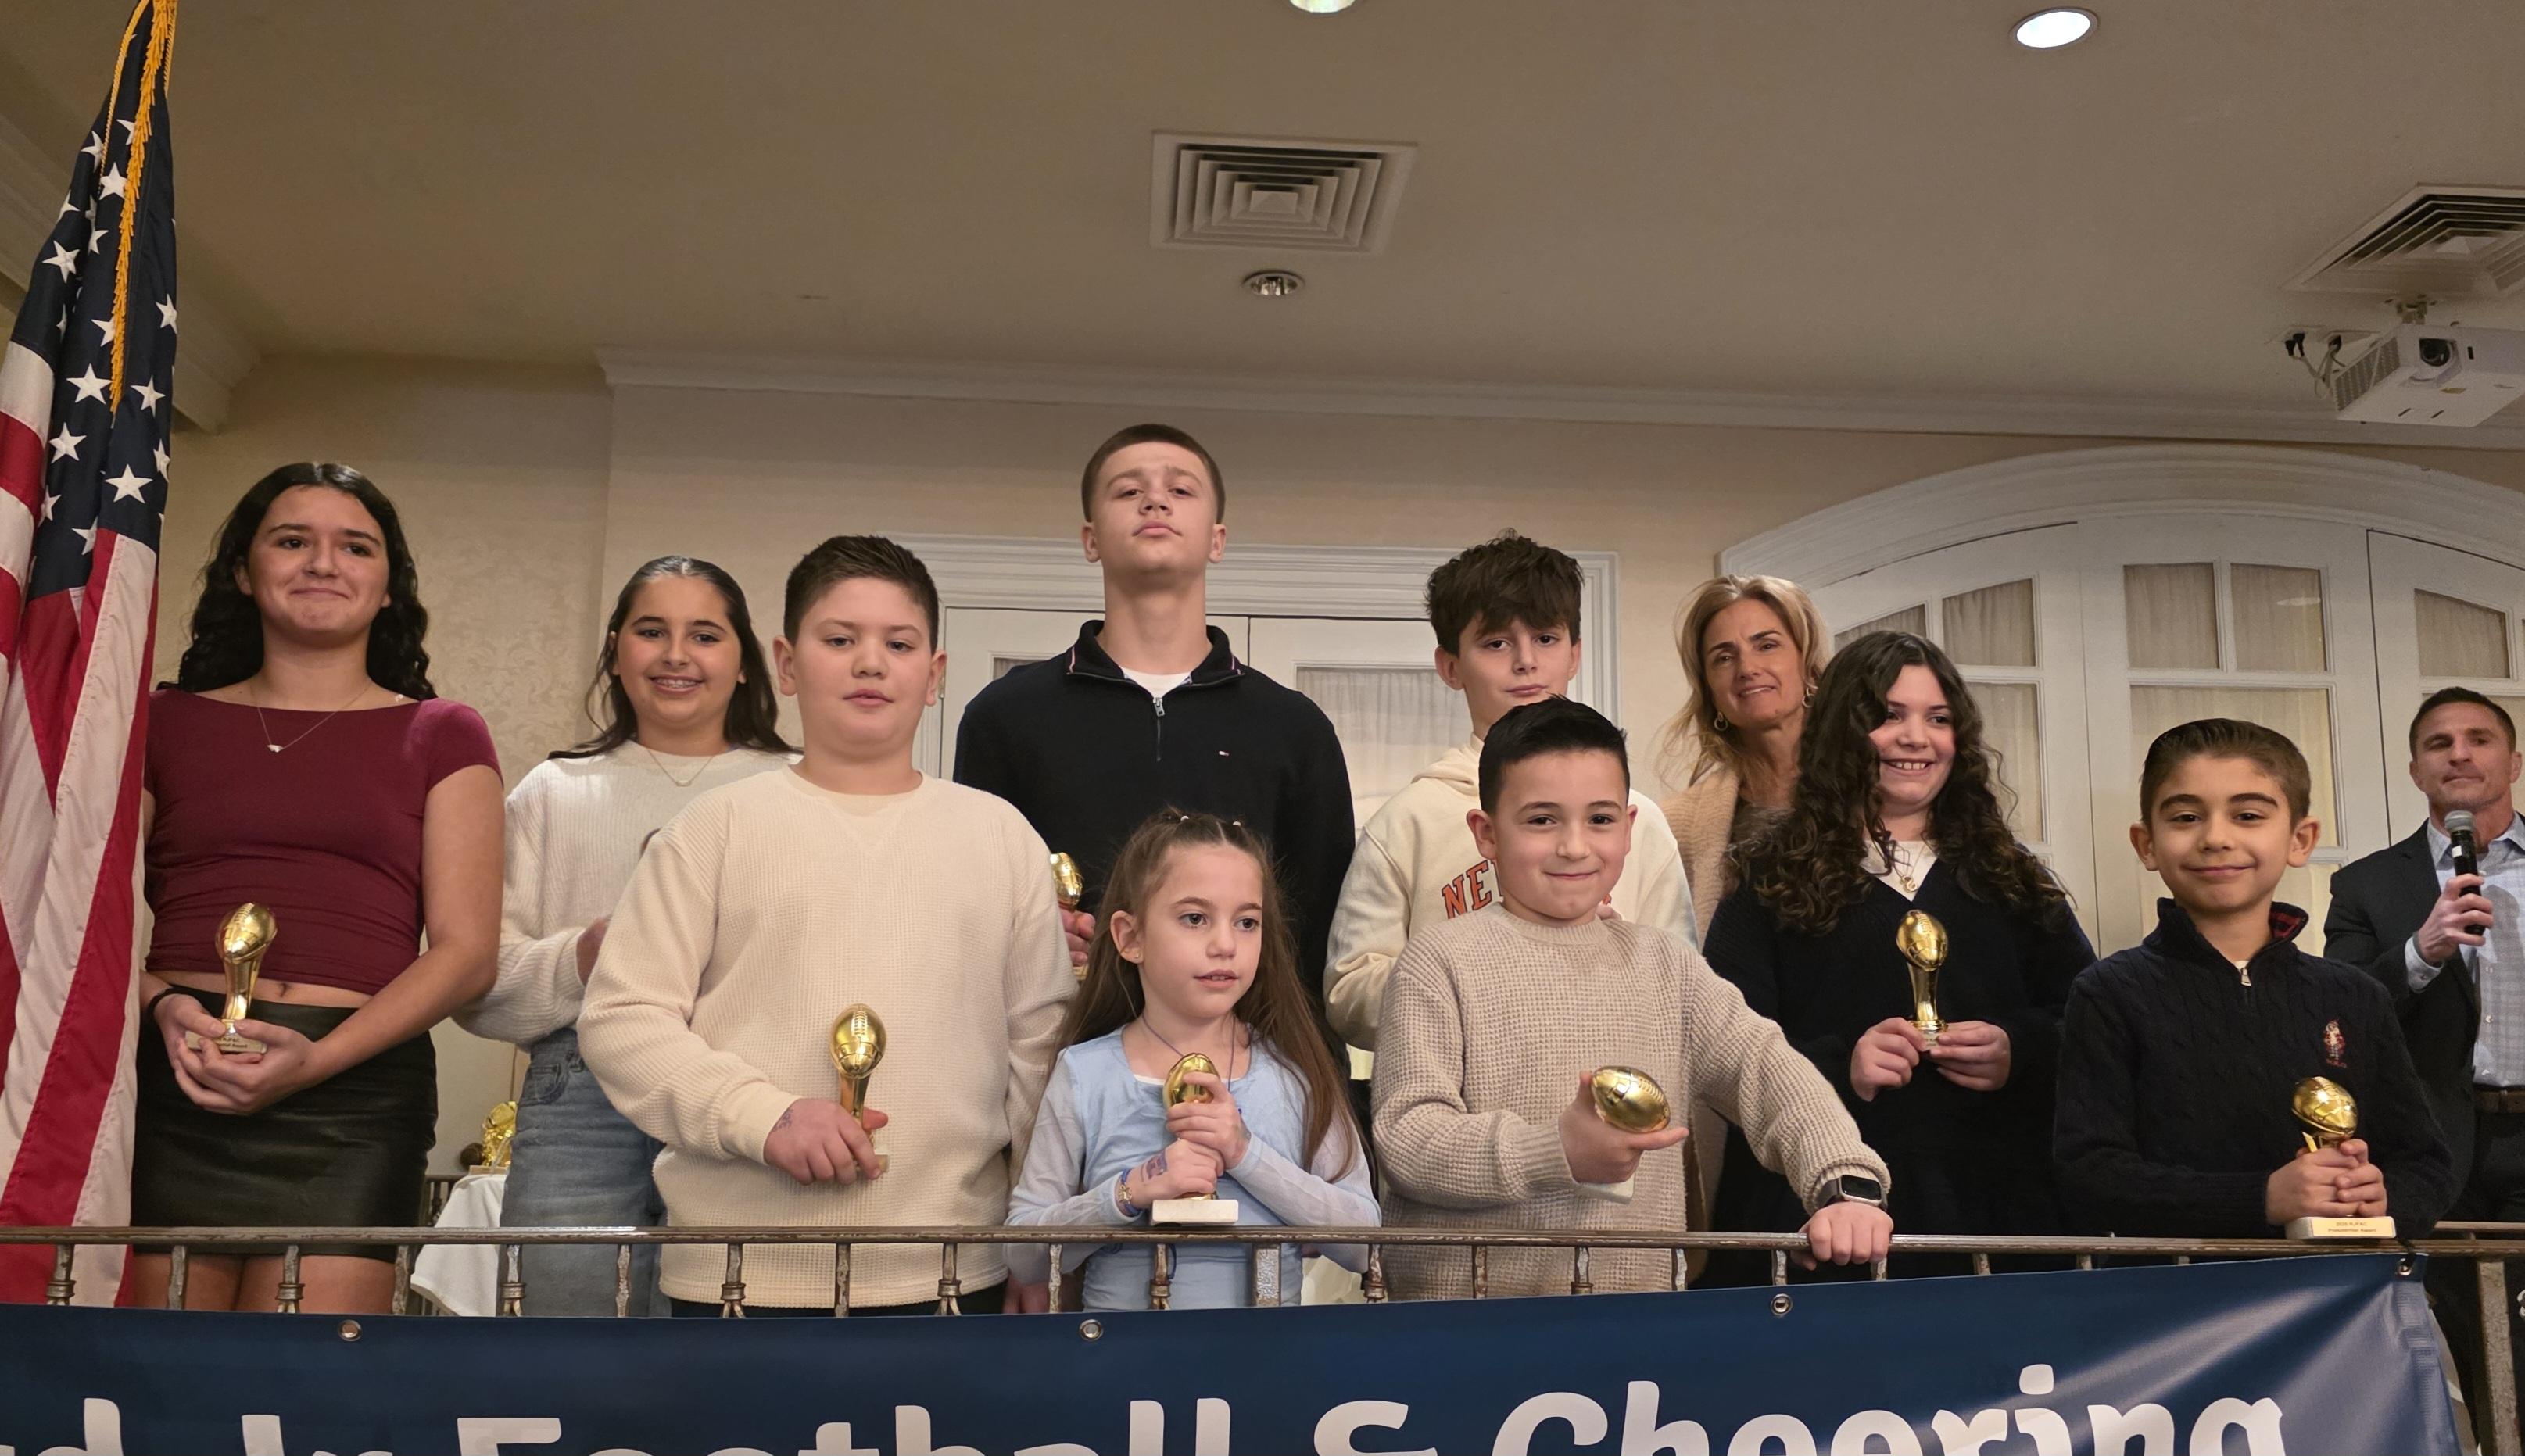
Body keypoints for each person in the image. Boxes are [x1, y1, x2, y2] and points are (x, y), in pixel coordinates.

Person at [578, 535, 1073, 1316]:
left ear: (934, 674)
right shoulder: (713, 829)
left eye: (898, 644)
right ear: (786, 664)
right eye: (839, 640)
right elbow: (621, 1019)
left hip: (953, 1273)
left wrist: (1033, 1248)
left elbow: (1039, 1054)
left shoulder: (1000, 836)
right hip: (735, 1275)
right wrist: (764, 1117)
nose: (870, 663)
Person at [127, 463, 503, 1315]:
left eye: (355, 547)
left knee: (305, 1382)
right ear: (242, 571)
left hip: (352, 1097)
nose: (323, 563)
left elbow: (467, 952)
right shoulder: (160, 722)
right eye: (293, 540)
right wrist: (163, 1007)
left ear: (388, 586)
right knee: (159, 1376)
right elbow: (89, 919)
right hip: (176, 1075)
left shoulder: (443, 733)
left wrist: (318, 1061)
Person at [1371, 698, 1892, 1300]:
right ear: (1486, 833)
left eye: (1599, 818)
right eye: (1541, 820)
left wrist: (1844, 1180)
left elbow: (1766, 1067)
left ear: (1628, 827)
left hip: (1638, 1324)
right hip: (1466, 1326)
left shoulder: (1667, 964)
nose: (1574, 846)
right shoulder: (1437, 961)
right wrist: (1555, 1150)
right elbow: (1408, 1138)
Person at [453, 556, 793, 1316]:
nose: (676, 654)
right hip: (579, 1089)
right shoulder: (551, 792)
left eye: (704, 634)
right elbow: (478, 988)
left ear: (744, 661)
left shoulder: (796, 788)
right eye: (651, 631)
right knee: (569, 1331)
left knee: (735, 1330)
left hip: (747, 1078)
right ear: (615, 653)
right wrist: (585, 956)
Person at [1703, 631, 2091, 1280]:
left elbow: (2090, 1024)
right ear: (1841, 731)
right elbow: (1723, 1053)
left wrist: (2016, 1048)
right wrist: (1841, 1066)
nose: (1917, 738)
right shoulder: (1768, 882)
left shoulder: (2011, 879)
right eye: (1889, 716)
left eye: (1938, 718)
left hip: (1998, 1217)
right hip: (1831, 1220)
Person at [954, 424, 1355, 1021]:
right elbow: (974, 912)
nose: (1155, 500)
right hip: (1058, 1048)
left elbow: (1315, 941)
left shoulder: (1294, 729)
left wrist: (1301, 1069)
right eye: (1128, 490)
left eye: (1181, 489)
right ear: (1090, 538)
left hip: (1249, 1056)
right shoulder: (1005, 716)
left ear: (1217, 539)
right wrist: (1030, 938)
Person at [2055, 718, 2454, 1240]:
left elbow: (2425, 1165)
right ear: (2147, 843)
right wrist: (2261, 1197)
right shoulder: (2109, 992)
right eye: (2186, 817)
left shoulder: (2356, 995)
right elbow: (2089, 1175)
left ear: (2300, 839)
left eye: (2247, 815)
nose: (2216, 838)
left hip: (2337, 1283)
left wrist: (2380, 1195)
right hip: (2174, 1285)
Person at [1323, 531, 1695, 1051]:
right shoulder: (1408, 820)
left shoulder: (1640, 818)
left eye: (1546, 638)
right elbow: (1347, 994)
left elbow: (1683, 987)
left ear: (1574, 654)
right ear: (1451, 666)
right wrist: (1476, 978)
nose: (1525, 661)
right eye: (1496, 643)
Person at [1007, 811, 1375, 1309]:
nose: (1225, 945)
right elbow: (1024, 1257)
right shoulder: (1085, 1073)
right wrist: (1131, 1190)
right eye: (1195, 918)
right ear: (1130, 938)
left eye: (1247, 922)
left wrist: (1245, 1153)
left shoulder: (1296, 1072)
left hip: (1271, 1353)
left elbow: (1364, 1241)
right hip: (1125, 1354)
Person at [2326, 687, 2525, 1418]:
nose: (2460, 754)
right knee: (2472, 1351)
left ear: (2514, 761)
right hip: (2436, 1146)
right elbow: (2338, 1021)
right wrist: (2421, 949)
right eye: (2440, 744)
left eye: (2479, 738)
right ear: (2416, 770)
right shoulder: (2368, 884)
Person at [1658, 574, 1831, 939]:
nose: (1747, 669)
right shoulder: (1676, 825)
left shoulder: (1877, 784)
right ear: (1709, 687)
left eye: (1767, 645)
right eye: (1724, 657)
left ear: (1807, 661)